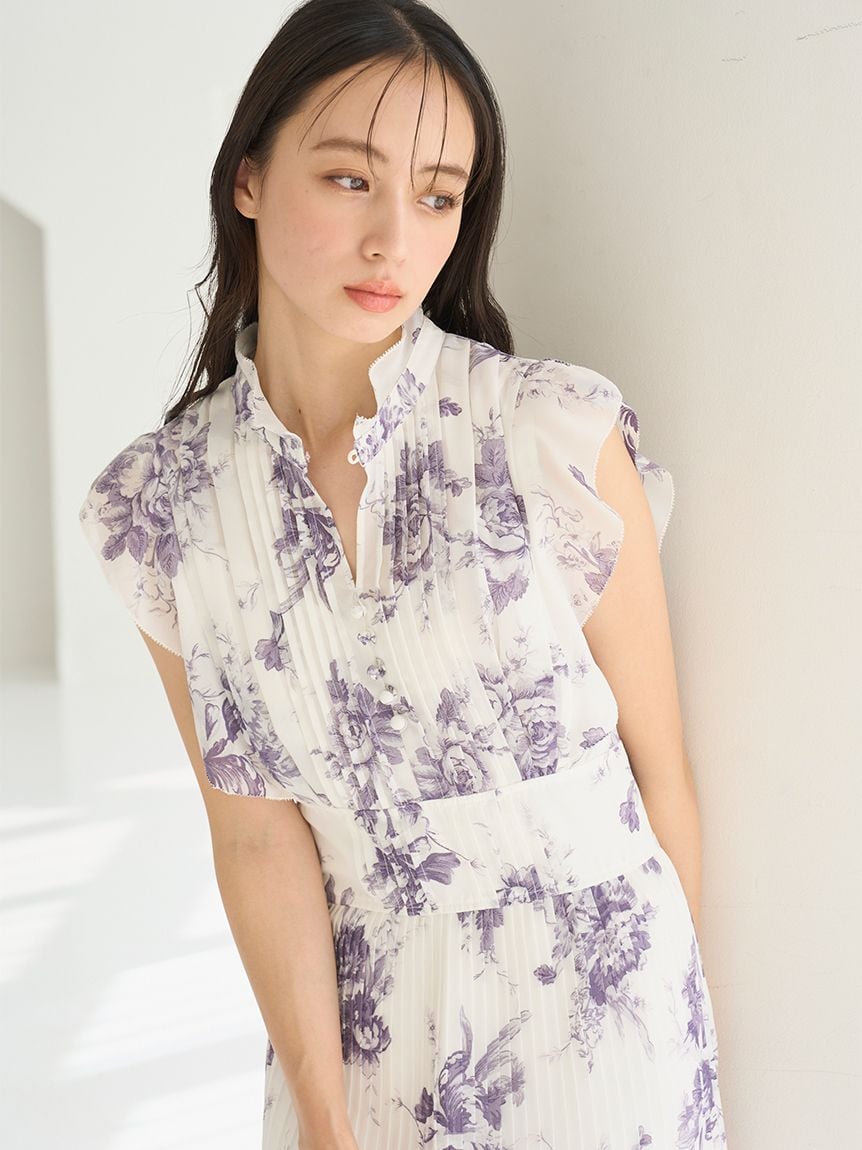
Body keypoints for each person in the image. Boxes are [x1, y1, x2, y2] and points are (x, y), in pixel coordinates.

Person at [78, 1, 728, 1146]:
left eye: (436, 196)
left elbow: (660, 774)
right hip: (362, 1033)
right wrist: (325, 1119)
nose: (394, 240)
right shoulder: (161, 506)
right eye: (347, 179)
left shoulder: (552, 437)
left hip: (607, 1029)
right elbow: (257, 837)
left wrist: (667, 1049)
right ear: (248, 177)